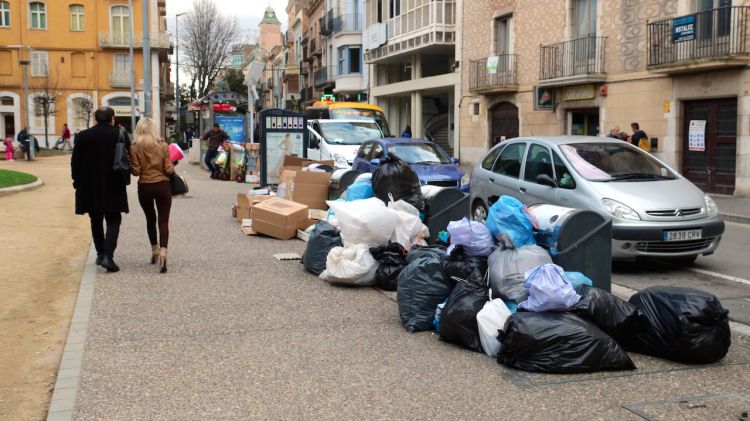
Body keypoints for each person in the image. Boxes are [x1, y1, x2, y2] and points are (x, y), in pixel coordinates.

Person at [71, 107, 129, 273]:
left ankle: (100, 253)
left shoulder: (82, 136)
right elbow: (128, 157)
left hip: (89, 184)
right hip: (114, 183)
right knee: (113, 219)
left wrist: (76, 181)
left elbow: (75, 161)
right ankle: (108, 256)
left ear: (95, 119)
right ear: (112, 119)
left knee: (95, 219)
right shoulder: (120, 135)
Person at [130, 117, 175, 273]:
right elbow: (168, 169)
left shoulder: (134, 147)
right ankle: (163, 252)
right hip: (163, 185)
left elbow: (136, 172)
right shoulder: (162, 145)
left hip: (145, 186)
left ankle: (154, 250)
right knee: (163, 221)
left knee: (150, 219)